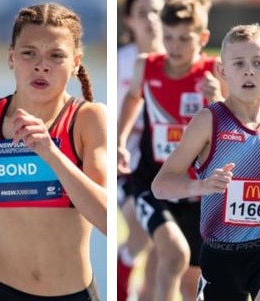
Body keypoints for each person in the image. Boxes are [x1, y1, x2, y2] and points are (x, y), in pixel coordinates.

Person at [152, 23, 260, 301]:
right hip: (221, 255)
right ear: (222, 72)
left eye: (258, 63)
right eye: (239, 63)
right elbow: (161, 185)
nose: (249, 70)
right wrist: (203, 186)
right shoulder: (208, 122)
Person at [0, 3, 107, 301]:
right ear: (11, 57)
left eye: (56, 55)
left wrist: (51, 154)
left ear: (76, 63)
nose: (41, 65)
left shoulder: (88, 120)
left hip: (71, 295)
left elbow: (107, 218)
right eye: (29, 52)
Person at [117, 0, 224, 300]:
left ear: (202, 39)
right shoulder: (147, 65)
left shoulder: (214, 73)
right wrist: (120, 141)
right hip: (154, 183)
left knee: (191, 282)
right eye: (168, 37)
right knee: (174, 253)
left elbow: (233, 128)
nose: (174, 47)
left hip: (197, 191)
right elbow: (132, 98)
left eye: (184, 38)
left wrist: (219, 102)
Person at [116, 0, 165, 300]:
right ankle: (121, 281)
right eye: (143, 13)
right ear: (129, 21)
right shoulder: (121, 61)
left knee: (166, 245)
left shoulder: (180, 60)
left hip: (169, 166)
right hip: (127, 165)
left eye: (157, 12)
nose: (151, 19)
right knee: (142, 231)